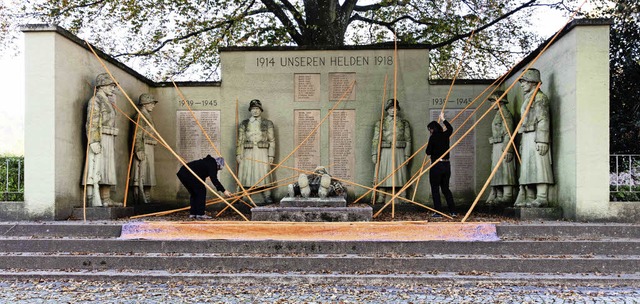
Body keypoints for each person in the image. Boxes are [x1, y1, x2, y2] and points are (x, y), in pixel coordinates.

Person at [515, 68, 554, 208]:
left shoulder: (540, 98)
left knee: (539, 166)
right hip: (527, 136)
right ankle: (529, 197)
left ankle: (542, 197)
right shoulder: (528, 98)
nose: (522, 84)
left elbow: (543, 119)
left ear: (532, 82)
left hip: (536, 136)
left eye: (524, 81)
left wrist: (542, 139)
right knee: (528, 167)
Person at [82, 73, 121, 207]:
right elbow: (91, 121)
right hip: (100, 137)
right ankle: (95, 198)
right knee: (98, 168)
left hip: (108, 137)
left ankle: (106, 198)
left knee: (107, 169)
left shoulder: (107, 101)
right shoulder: (95, 100)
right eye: (111, 86)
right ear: (102, 86)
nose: (113, 89)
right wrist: (93, 140)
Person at [371, 98, 412, 203]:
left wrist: (407, 155)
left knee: (401, 174)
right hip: (385, 151)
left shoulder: (403, 123)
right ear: (387, 110)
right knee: (383, 174)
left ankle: (403, 195)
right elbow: (376, 139)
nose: (393, 110)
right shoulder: (381, 123)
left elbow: (408, 140)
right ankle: (381, 196)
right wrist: (374, 153)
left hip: (399, 151)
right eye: (391, 108)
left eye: (395, 108)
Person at [236, 99, 276, 205]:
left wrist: (271, 155)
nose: (255, 111)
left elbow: (271, 140)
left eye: (257, 108)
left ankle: (267, 195)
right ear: (250, 110)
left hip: (262, 152)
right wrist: (238, 154)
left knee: (264, 172)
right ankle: (243, 195)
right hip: (247, 152)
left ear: (261, 110)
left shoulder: (267, 123)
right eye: (253, 109)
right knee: (246, 173)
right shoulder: (244, 124)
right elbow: (240, 140)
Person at [177, 155, 232, 219]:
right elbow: (214, 179)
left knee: (194, 193)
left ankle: (193, 213)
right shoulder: (212, 164)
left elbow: (201, 177)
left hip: (182, 173)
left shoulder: (207, 162)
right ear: (218, 165)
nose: (217, 170)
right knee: (201, 192)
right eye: (218, 169)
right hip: (188, 174)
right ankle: (200, 214)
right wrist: (224, 191)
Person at [486, 91, 517, 206]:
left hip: (503, 146)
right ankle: (499, 195)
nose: (491, 104)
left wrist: (508, 149)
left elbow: (509, 132)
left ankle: (507, 195)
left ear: (500, 101)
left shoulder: (505, 113)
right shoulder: (498, 113)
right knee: (497, 171)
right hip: (497, 145)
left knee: (505, 170)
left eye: (493, 101)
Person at [426, 112, 456, 217]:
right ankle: (453, 211)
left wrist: (432, 146)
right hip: (446, 165)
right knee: (446, 189)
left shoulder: (433, 137)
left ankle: (438, 212)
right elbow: (450, 128)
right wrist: (443, 119)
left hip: (436, 166)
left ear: (432, 129)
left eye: (429, 130)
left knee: (435, 189)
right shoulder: (445, 135)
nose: (429, 132)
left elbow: (428, 152)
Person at [131, 93, 158, 204]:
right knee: (140, 172)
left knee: (148, 173)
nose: (153, 106)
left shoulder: (147, 116)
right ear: (145, 104)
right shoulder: (139, 116)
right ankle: (139, 198)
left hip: (149, 146)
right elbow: (137, 134)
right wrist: (139, 149)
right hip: (143, 146)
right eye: (151, 103)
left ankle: (146, 196)